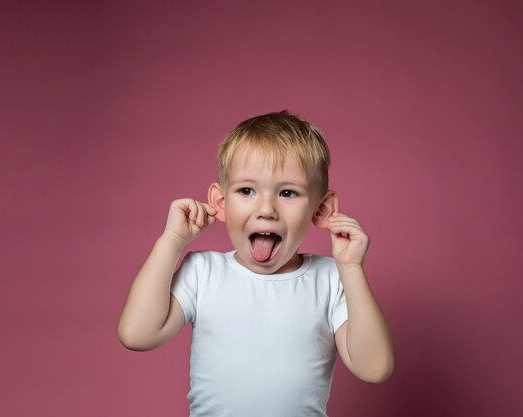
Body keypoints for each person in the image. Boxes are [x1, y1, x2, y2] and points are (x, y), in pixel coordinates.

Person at [117, 111, 394, 416]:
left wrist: (352, 269)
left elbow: (374, 367)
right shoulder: (203, 272)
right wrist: (171, 240)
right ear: (221, 203)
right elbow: (137, 334)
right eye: (247, 191)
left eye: (288, 192)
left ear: (321, 209)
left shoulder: (329, 278)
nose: (266, 209)